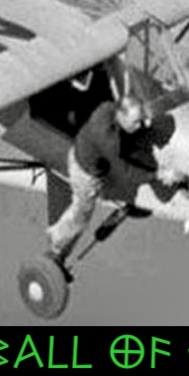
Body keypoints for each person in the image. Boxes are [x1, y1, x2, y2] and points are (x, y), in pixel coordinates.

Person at [46, 95, 152, 265]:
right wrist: (157, 175)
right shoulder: (110, 142)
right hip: (85, 175)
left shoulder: (107, 108)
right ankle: (57, 246)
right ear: (122, 116)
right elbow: (125, 172)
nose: (141, 125)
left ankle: (121, 198)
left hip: (83, 152)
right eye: (136, 122)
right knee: (82, 213)